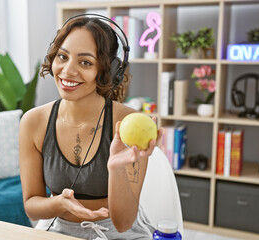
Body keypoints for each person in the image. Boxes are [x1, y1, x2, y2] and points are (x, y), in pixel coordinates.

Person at [19, 15, 162, 240]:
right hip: (58, 228)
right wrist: (60, 203)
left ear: (108, 71)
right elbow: (31, 206)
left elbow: (124, 223)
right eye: (62, 57)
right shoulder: (33, 122)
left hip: (116, 232)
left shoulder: (128, 123)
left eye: (85, 62)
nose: (67, 71)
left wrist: (116, 169)